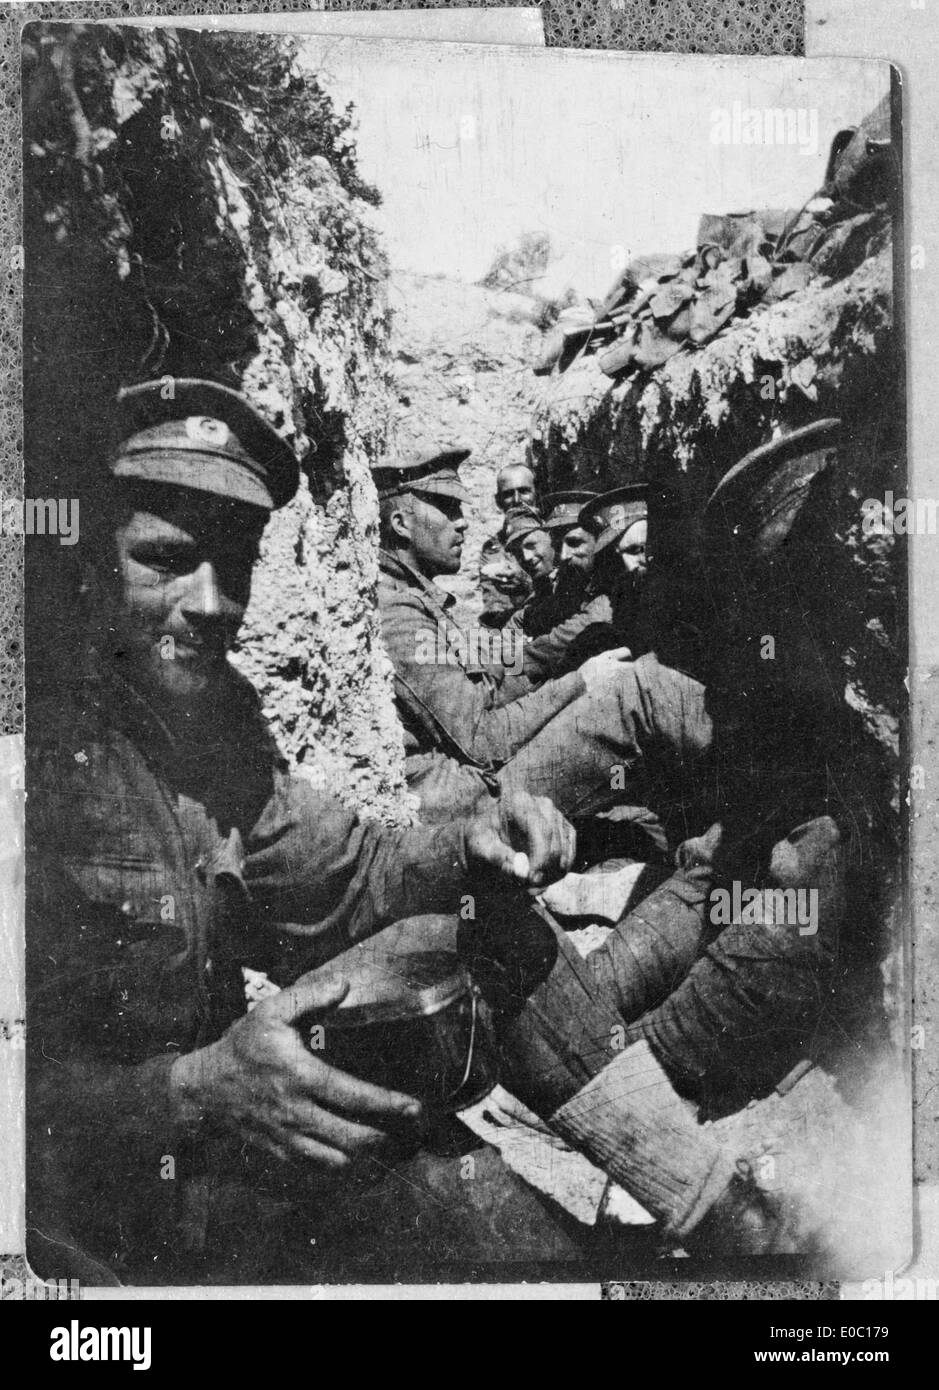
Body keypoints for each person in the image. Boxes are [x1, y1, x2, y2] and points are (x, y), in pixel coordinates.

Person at [25, 381, 585, 1284]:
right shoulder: (28, 745)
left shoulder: (208, 719)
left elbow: (346, 876)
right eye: (166, 559)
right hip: (81, 1223)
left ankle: (708, 1213)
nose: (215, 603)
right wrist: (189, 1093)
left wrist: (471, 843)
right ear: (85, 561)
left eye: (236, 564)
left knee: (486, 938)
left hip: (222, 1141)